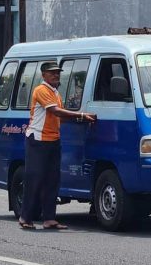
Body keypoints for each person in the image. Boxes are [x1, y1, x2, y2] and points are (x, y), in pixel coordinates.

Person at [19, 62, 97, 230]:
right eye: (52, 73)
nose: (56, 75)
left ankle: (49, 218)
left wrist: (79, 119)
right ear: (44, 75)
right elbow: (55, 111)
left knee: (52, 180)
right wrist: (82, 115)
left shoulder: (56, 93)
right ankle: (25, 217)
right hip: (38, 140)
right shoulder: (41, 90)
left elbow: (60, 117)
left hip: (53, 139)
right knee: (35, 179)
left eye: (57, 73)